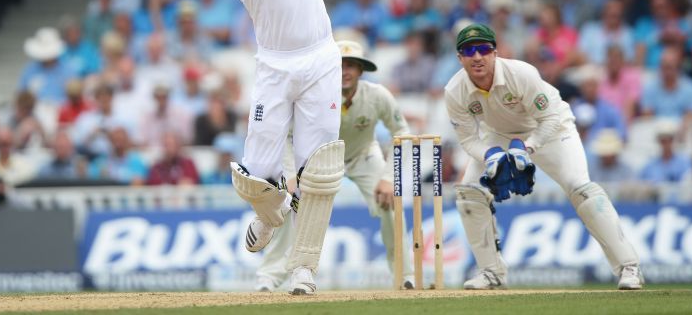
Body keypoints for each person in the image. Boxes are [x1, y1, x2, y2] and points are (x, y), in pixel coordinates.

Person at [209, 0, 351, 294]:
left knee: (321, 172)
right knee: (255, 177)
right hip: (275, 66)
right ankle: (269, 219)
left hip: (322, 57)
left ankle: (304, 270)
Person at [443, 23, 642, 290]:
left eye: (483, 49)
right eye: (469, 51)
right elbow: (468, 139)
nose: (477, 56)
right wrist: (490, 154)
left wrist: (526, 148)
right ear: (460, 58)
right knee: (469, 192)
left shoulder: (521, 73)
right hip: (499, 134)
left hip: (551, 130)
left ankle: (629, 267)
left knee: (581, 189)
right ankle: (491, 272)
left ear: (495, 53)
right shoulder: (454, 90)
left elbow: (548, 117)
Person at [253, 40, 414, 291]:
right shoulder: (311, 97)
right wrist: (289, 173)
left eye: (352, 65)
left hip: (361, 156)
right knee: (287, 202)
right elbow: (285, 134)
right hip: (318, 160)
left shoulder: (377, 96)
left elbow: (402, 132)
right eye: (340, 64)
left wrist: (389, 178)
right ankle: (270, 277)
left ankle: (406, 276)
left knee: (390, 205)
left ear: (361, 71)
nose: (346, 70)